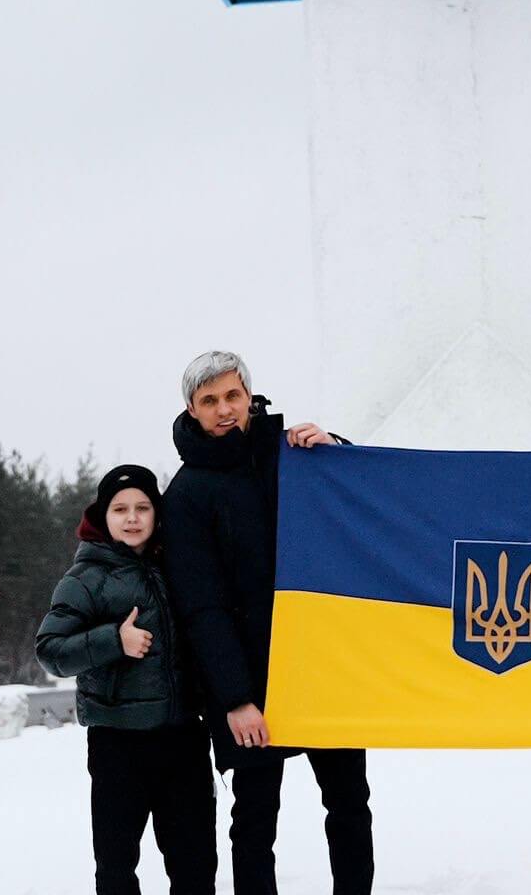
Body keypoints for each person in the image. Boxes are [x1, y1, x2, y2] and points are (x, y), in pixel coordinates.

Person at [161, 350, 373, 895]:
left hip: (321, 665)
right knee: (255, 819)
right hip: (249, 683)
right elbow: (201, 607)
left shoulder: (294, 457)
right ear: (192, 409)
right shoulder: (185, 495)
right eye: (210, 400)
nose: (224, 409)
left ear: (249, 396)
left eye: (232, 395)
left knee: (349, 803)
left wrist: (335, 450)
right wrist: (236, 699)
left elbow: (359, 501)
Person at [36, 464, 216, 895]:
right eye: (120, 509)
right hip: (118, 743)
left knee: (195, 867)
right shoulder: (85, 578)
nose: (132, 518)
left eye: (142, 507)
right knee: (116, 868)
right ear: (104, 516)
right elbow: (51, 651)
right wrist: (113, 641)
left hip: (183, 738)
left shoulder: (179, 567)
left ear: (157, 513)